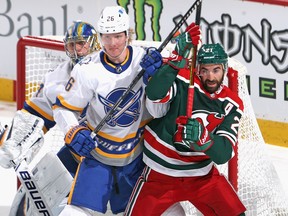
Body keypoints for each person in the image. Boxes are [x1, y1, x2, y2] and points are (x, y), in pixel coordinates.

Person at [53, 5, 163, 216]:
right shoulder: (87, 69)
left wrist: (156, 84)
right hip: (97, 158)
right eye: (107, 36)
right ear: (100, 37)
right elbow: (63, 108)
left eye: (118, 36)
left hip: (136, 160)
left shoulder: (144, 61)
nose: (112, 44)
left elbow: (158, 112)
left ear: (127, 35)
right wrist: (73, 130)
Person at [124, 35, 247, 215]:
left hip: (201, 176)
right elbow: (154, 94)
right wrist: (175, 61)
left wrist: (206, 140)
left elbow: (224, 154)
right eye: (204, 70)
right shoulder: (183, 80)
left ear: (225, 69)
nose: (210, 77)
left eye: (216, 70)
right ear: (197, 69)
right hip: (161, 173)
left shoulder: (231, 103)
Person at [0, 20, 99, 214]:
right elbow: (35, 115)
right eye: (71, 45)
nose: (76, 50)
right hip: (75, 153)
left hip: (115, 158)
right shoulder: (58, 78)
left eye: (81, 43)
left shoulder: (113, 71)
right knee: (27, 206)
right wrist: (14, 140)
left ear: (94, 43)